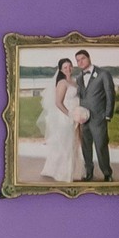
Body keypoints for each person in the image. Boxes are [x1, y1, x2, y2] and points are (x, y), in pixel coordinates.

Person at [39, 55, 85, 183]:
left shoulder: (75, 81)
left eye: (70, 66)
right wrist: (70, 114)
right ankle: (63, 172)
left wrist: (79, 114)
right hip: (65, 117)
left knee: (74, 144)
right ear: (60, 70)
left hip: (75, 116)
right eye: (65, 67)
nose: (68, 68)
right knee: (66, 144)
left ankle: (74, 171)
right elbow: (58, 103)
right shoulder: (62, 82)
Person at [77, 52, 118, 183]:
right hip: (83, 119)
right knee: (86, 147)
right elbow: (81, 97)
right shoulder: (78, 77)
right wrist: (78, 114)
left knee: (101, 146)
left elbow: (110, 94)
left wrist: (107, 115)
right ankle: (89, 173)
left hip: (99, 118)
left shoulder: (103, 74)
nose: (80, 62)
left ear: (89, 58)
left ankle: (107, 173)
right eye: (77, 60)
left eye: (83, 58)